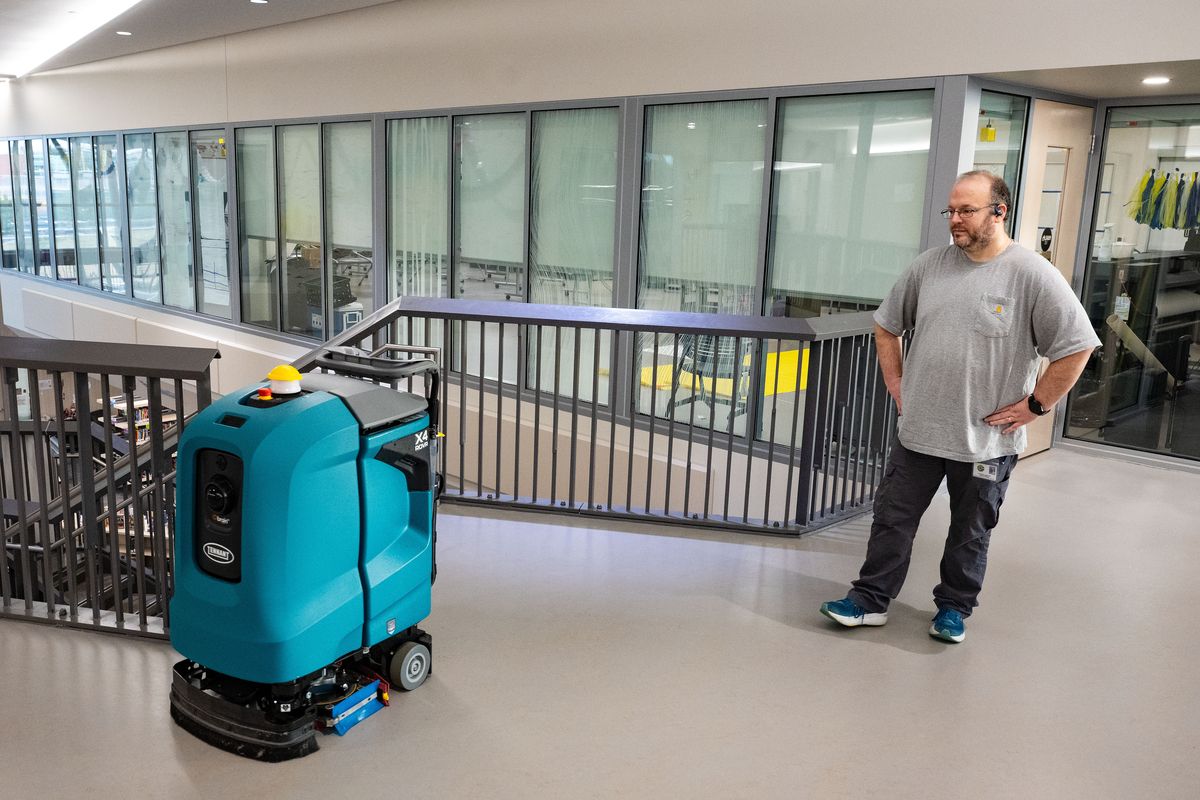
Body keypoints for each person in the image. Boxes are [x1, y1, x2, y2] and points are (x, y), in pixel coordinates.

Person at [820, 171, 1101, 643]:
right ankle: (869, 600)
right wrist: (895, 381)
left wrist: (1036, 404)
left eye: (966, 210)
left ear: (999, 211)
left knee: (970, 531)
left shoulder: (1031, 274)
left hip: (986, 441)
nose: (955, 220)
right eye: (950, 210)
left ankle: (953, 609)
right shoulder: (930, 267)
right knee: (892, 519)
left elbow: (1077, 346)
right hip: (920, 431)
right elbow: (886, 325)